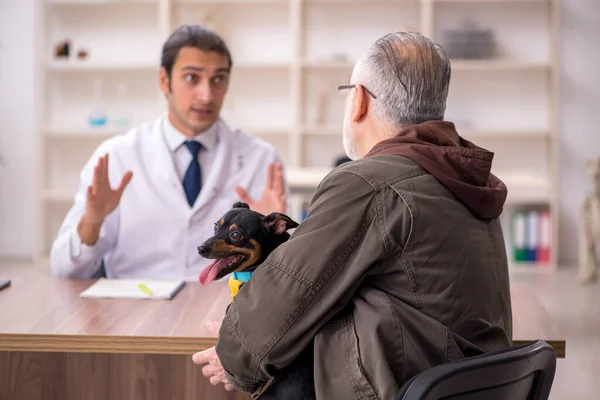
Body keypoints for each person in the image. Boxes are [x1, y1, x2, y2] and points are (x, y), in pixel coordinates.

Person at [193, 31, 513, 399]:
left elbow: (289, 288)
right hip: (467, 387)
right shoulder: (466, 180)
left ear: (358, 100)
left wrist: (233, 354)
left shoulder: (368, 183)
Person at [49, 25, 287, 281]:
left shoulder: (262, 159)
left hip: (228, 312)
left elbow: (286, 278)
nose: (206, 95)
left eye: (218, 79)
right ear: (164, 80)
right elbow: (65, 271)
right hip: (133, 310)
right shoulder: (115, 157)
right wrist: (92, 222)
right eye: (191, 78)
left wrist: (278, 243)